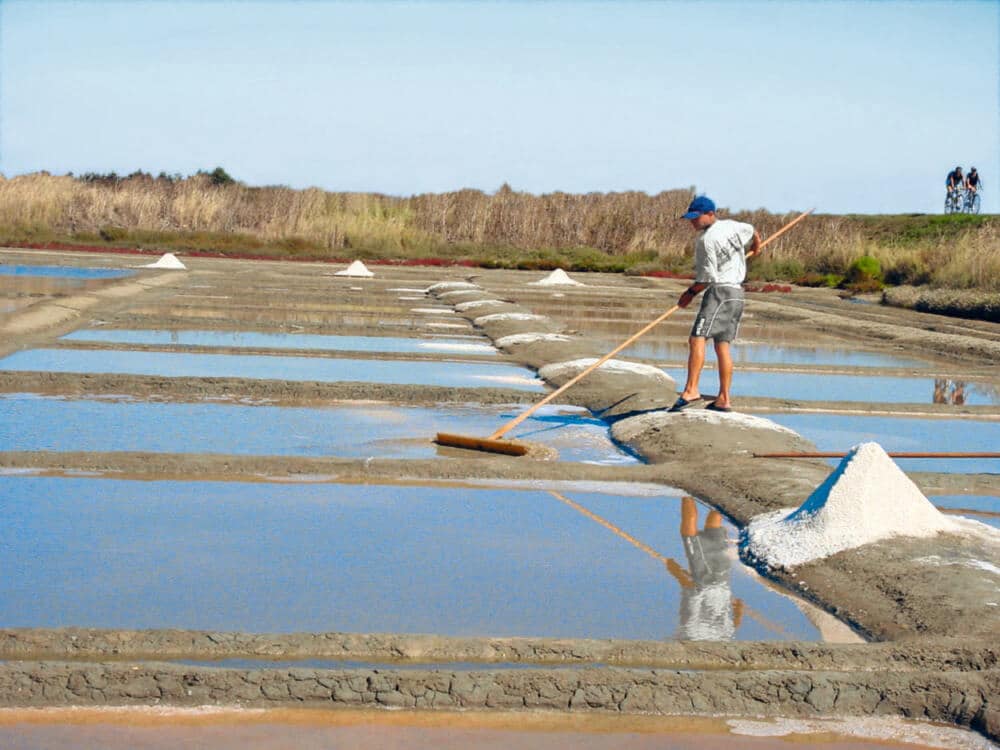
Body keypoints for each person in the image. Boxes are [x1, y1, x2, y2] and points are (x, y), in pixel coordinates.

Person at [669, 195, 761, 413]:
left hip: (720, 291)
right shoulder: (733, 226)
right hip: (737, 294)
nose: (693, 222)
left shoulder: (706, 241)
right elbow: (753, 231)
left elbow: (707, 279)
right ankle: (723, 399)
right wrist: (757, 247)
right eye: (691, 218)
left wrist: (689, 294)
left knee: (697, 337)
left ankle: (691, 390)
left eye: (696, 218)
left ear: (710, 214)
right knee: (722, 345)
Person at [676, 496, 743, 640]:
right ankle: (686, 492)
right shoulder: (692, 634)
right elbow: (693, 599)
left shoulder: (724, 637)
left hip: (723, 575)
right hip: (705, 575)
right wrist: (677, 573)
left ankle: (718, 495)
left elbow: (735, 624)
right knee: (690, 532)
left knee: (715, 524)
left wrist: (738, 611)